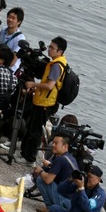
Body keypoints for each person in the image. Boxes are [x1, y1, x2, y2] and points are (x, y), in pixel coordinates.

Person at [15, 36, 68, 165]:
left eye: (52, 48)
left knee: (35, 131)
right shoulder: (57, 63)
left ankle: (29, 158)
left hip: (46, 103)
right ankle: (25, 152)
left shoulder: (57, 66)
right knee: (32, 127)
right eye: (49, 47)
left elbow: (50, 85)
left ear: (60, 51)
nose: (49, 50)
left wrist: (33, 85)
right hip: (42, 100)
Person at [31, 134, 78, 212]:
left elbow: (48, 180)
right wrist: (50, 165)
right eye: (53, 142)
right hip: (72, 203)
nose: (53, 145)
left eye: (56, 143)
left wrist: (40, 171)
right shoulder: (71, 158)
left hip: (65, 202)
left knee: (40, 180)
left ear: (65, 146)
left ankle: (50, 208)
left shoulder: (60, 159)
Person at [0, 7, 26, 72]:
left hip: (10, 69)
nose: (10, 19)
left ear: (19, 22)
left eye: (13, 18)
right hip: (0, 62)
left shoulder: (20, 39)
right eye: (9, 17)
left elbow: (13, 62)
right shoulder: (4, 30)